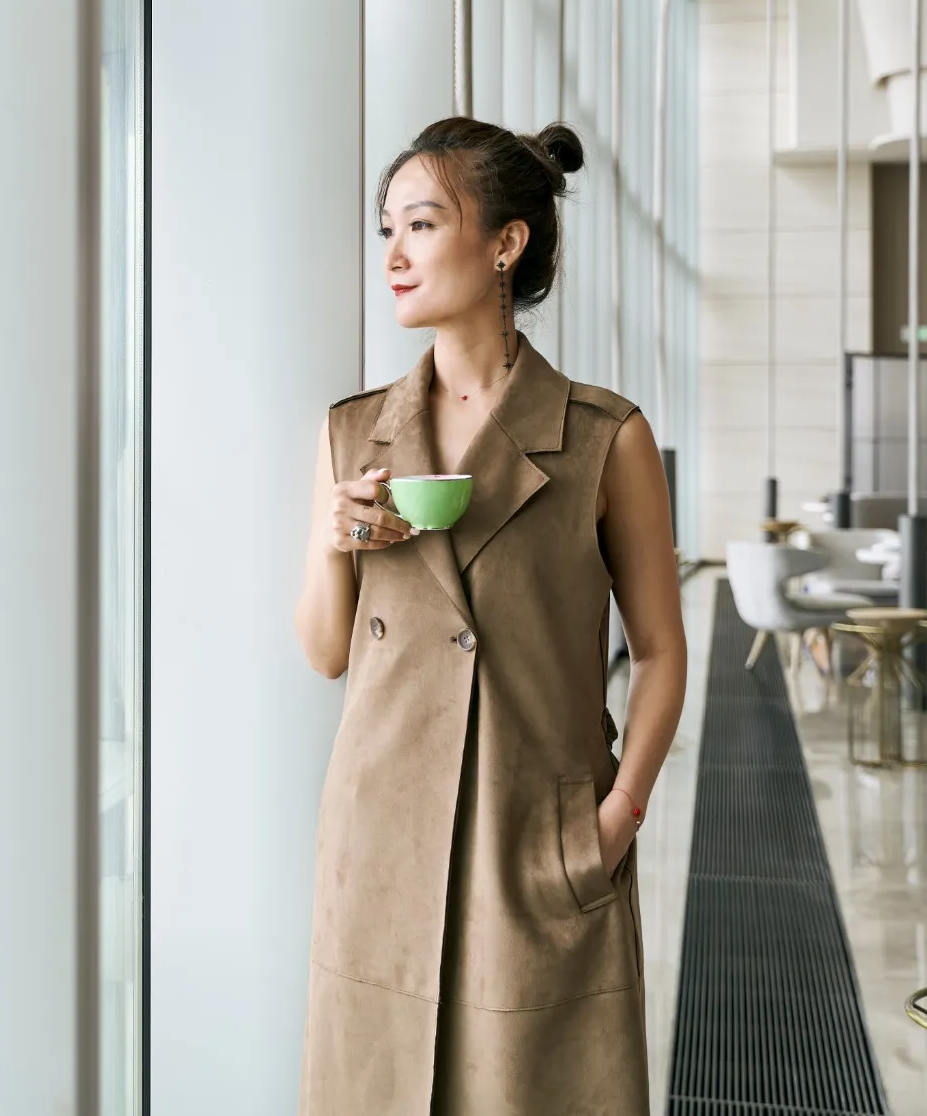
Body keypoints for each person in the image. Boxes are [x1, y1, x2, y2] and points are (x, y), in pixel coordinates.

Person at [292, 118, 687, 1115]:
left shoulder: (604, 436)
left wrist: (616, 819)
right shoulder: (352, 431)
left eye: (420, 225)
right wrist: (327, 532)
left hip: (535, 840)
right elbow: (323, 652)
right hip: (380, 837)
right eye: (387, 228)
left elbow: (658, 652)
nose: (392, 254)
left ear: (504, 243)